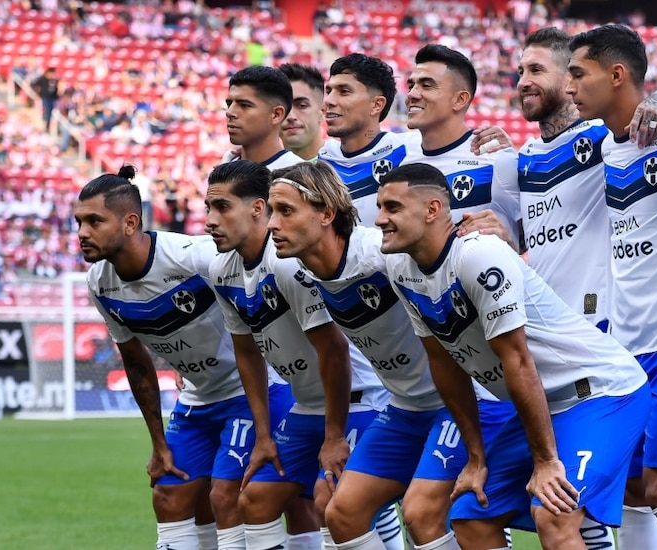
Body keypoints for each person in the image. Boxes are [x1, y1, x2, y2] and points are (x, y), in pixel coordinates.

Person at [376, 162, 650, 550]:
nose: (379, 219)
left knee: (552, 515)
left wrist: (546, 461)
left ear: (433, 210)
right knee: (471, 516)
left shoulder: (478, 256)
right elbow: (444, 363)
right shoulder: (400, 267)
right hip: (544, 407)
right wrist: (475, 458)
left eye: (392, 207)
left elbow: (517, 362)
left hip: (600, 393)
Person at [264, 161, 514, 550]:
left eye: (285, 211)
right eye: (271, 211)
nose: (271, 225)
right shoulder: (293, 268)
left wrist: (491, 237)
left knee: (420, 513)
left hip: (463, 400)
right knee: (339, 511)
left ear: (326, 215)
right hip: (404, 406)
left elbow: (448, 255)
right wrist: (333, 437)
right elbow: (331, 348)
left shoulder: (382, 255)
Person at [76, 166, 296, 550]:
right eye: (78, 222)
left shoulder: (195, 257)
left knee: (226, 495)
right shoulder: (100, 283)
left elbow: (262, 298)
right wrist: (158, 443)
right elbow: (136, 362)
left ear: (130, 223)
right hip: (198, 398)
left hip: (254, 392)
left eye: (94, 221)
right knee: (168, 494)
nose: (82, 232)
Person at [204, 159, 390, 550]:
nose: (209, 220)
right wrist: (263, 435)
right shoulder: (222, 270)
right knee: (255, 498)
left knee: (333, 502)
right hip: (305, 406)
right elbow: (247, 356)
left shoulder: (288, 264)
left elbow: (334, 350)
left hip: (355, 401)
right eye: (208, 208)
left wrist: (333, 435)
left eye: (221, 207)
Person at [565, 24, 657, 550]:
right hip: (624, 348)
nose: (569, 86)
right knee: (635, 490)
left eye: (578, 73)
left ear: (617, 75)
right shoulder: (605, 150)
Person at [399, 45, 520, 248]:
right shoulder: (404, 165)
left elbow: (530, 236)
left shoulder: (495, 158)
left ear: (459, 99)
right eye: (411, 85)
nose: (412, 94)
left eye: (426, 85)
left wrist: (510, 240)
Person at [317, 53, 417, 227]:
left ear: (376, 105)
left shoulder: (408, 152)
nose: (329, 101)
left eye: (344, 91)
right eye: (329, 91)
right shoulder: (322, 160)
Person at [224, 66, 305, 169]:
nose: (229, 112)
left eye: (244, 105)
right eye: (229, 104)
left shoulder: (300, 176)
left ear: (276, 115)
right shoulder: (225, 169)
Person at [279, 63, 327, 161]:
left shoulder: (348, 164)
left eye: (302, 106)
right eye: (282, 107)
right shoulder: (261, 172)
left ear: (322, 111)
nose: (291, 116)